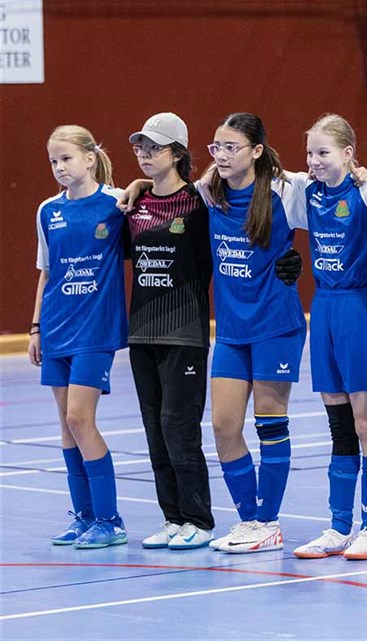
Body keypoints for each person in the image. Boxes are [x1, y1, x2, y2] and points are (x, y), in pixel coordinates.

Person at [288, 114, 367, 561]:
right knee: (338, 424)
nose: (314, 161)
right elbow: (260, 170)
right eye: (310, 152)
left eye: (324, 152)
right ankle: (337, 525)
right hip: (324, 308)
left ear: (349, 153)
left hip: (359, 306)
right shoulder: (307, 193)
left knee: (366, 421)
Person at [203, 112, 307, 554]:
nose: (222, 155)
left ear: (257, 151)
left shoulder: (287, 190)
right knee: (224, 426)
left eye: (232, 147)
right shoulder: (209, 192)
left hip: (275, 326)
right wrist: (136, 186)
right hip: (231, 330)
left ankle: (269, 522)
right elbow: (164, 190)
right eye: (217, 147)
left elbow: (341, 195)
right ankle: (249, 519)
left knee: (269, 423)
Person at [30, 125, 128, 549]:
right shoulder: (47, 210)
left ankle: (110, 519)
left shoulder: (116, 203)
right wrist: (35, 328)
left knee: (79, 419)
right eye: (53, 160)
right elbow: (47, 272)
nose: (59, 167)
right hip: (56, 327)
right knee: (66, 427)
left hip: (95, 329)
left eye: (66, 158)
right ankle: (84, 516)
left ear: (89, 158)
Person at [126, 113, 216, 550]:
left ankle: (198, 520)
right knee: (154, 431)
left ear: (178, 153)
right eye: (140, 148)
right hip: (142, 333)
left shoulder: (199, 204)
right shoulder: (135, 203)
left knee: (179, 429)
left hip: (184, 333)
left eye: (154, 148)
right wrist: (137, 185)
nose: (144, 155)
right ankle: (172, 517)